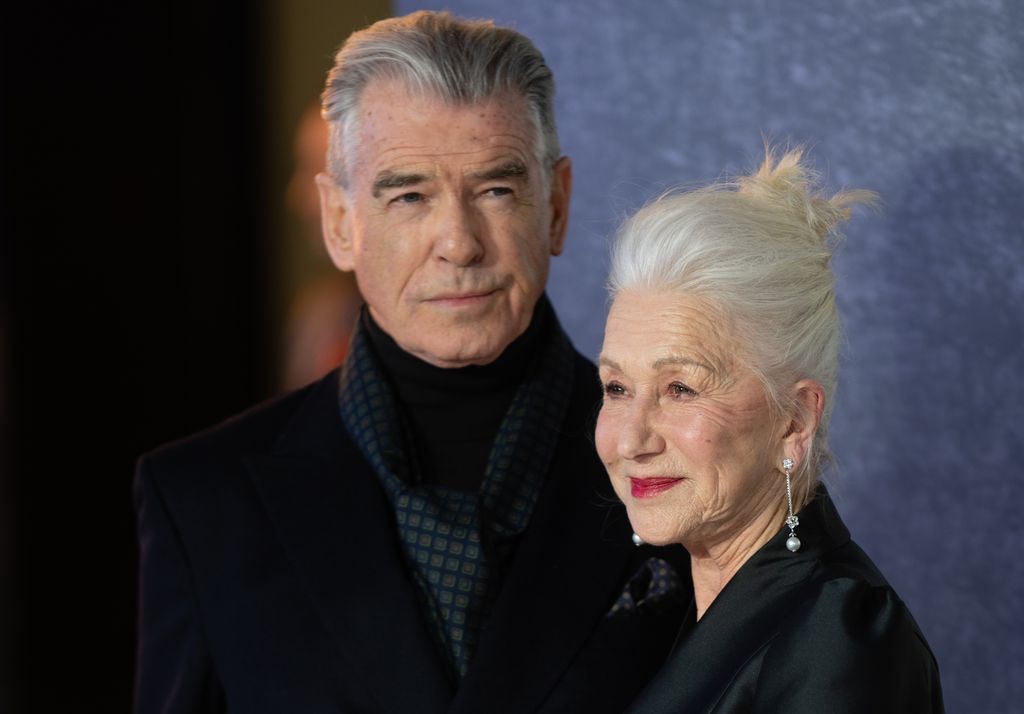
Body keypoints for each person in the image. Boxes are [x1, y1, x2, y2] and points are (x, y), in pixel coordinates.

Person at [133, 11, 689, 713]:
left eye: (496, 190)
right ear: (339, 223)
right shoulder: (204, 503)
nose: (459, 243)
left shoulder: (686, 469)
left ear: (556, 205)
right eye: (409, 196)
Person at [595, 149, 945, 713]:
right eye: (616, 388)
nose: (632, 440)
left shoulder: (843, 638)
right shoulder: (672, 607)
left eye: (681, 388)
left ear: (794, 419)